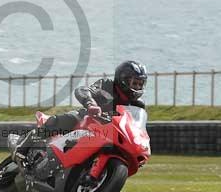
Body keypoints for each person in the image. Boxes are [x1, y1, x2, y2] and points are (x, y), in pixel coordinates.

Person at [14, 60, 148, 159]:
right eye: (134, 83)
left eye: (139, 84)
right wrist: (91, 104)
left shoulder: (137, 106)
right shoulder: (107, 85)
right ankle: (23, 146)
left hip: (108, 134)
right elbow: (83, 90)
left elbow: (137, 128)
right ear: (123, 79)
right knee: (65, 120)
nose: (137, 87)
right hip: (87, 122)